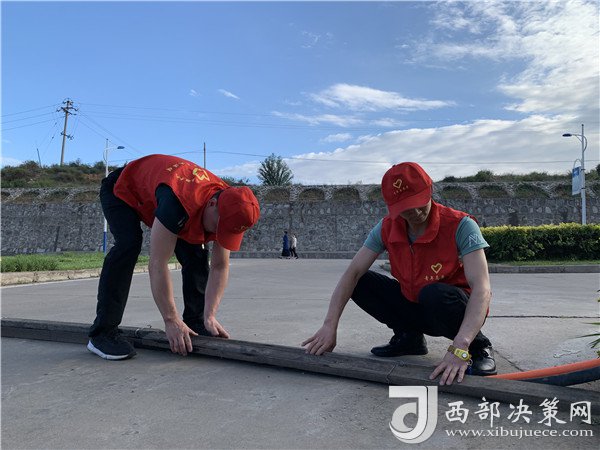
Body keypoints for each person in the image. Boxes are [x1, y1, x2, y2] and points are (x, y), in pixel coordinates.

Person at [302, 162, 496, 386]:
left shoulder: (460, 225)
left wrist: (460, 345)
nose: (415, 212)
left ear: (430, 190)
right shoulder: (387, 227)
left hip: (450, 310)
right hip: (414, 305)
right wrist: (329, 325)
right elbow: (352, 273)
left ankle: (479, 347)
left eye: (418, 202)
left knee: (433, 293)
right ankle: (409, 338)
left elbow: (482, 288)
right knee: (361, 282)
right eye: (405, 207)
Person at [88, 154, 260, 360]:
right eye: (218, 227)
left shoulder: (232, 204)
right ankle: (102, 333)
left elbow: (220, 266)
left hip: (165, 195)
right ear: (212, 204)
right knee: (128, 245)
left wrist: (210, 315)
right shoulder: (179, 201)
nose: (218, 234)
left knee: (197, 255)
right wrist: (170, 320)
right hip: (122, 188)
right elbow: (157, 264)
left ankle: (196, 321)